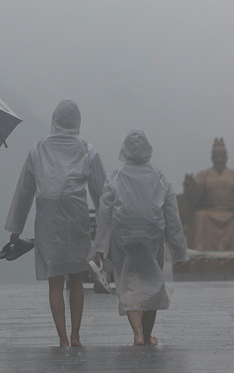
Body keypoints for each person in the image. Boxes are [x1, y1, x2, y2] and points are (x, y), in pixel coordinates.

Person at [4, 98, 106, 347]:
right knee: (76, 277)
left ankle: (62, 338)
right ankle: (76, 336)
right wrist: (105, 236)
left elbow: (24, 192)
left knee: (55, 280)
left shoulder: (37, 149)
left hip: (48, 217)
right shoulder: (87, 150)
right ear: (77, 123)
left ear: (53, 121)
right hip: (75, 215)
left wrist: (16, 230)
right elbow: (102, 195)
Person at [91, 129, 189, 347]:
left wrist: (99, 248)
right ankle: (146, 334)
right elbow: (172, 215)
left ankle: (137, 334)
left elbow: (104, 215)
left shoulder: (115, 177)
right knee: (151, 282)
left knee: (128, 283)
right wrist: (179, 251)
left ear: (124, 151)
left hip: (123, 237)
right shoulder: (159, 176)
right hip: (151, 236)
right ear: (148, 151)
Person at [190, 138, 234, 251]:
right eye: (217, 157)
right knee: (200, 216)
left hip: (232, 211)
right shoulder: (204, 175)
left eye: (222, 157)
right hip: (210, 210)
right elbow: (195, 192)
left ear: (226, 158)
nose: (219, 160)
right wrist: (191, 186)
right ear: (212, 158)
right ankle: (200, 251)